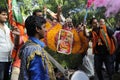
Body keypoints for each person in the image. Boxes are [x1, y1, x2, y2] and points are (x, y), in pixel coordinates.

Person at [19, 16, 56, 80]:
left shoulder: (28, 46)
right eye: (44, 27)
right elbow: (37, 76)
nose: (46, 30)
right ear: (37, 29)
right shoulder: (36, 50)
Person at [0, 6, 14, 80]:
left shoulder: (7, 27)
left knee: (6, 78)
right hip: (0, 59)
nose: (6, 17)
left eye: (6, 15)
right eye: (3, 14)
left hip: (8, 58)